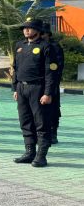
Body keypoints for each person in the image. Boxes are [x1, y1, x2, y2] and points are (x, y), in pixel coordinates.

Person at [12, 18, 59, 168]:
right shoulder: (20, 46)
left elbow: (50, 72)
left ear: (38, 31)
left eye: (30, 28)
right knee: (25, 121)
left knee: (41, 122)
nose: (26, 30)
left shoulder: (46, 47)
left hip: (38, 89)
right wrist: (15, 88)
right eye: (25, 28)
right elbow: (15, 68)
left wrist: (48, 93)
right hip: (22, 88)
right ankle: (29, 151)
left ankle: (41, 155)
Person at [40, 25, 64, 145]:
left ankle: (53, 133)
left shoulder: (55, 47)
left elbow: (57, 67)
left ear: (48, 34)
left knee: (54, 109)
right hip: (38, 84)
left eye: (44, 34)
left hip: (52, 83)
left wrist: (53, 82)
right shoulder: (38, 46)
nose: (42, 36)